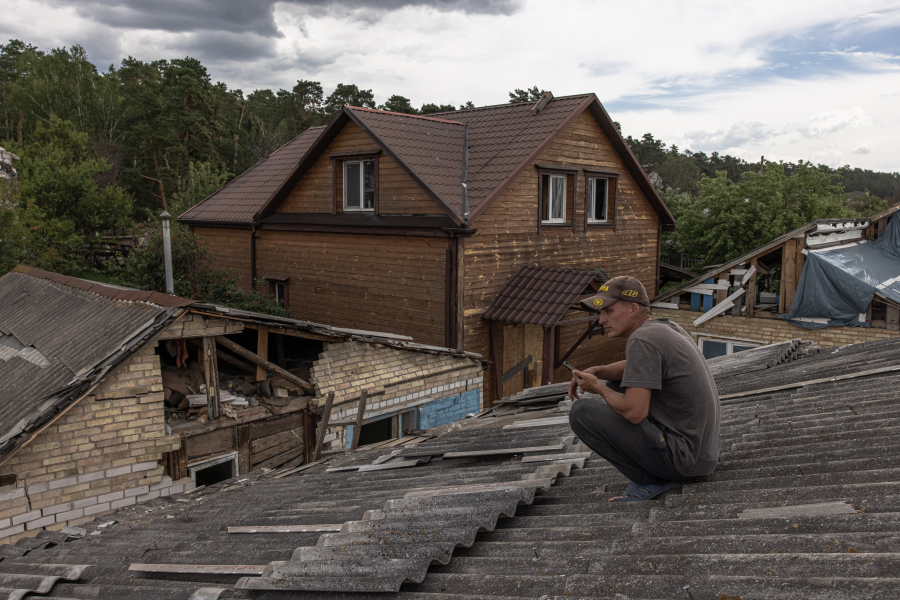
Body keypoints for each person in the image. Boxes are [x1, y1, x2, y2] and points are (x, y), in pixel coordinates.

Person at [567, 276, 720, 502]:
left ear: (633, 308)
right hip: (701, 455)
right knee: (617, 384)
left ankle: (651, 479)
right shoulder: (665, 327)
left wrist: (597, 387)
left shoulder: (642, 339)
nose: (601, 320)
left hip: (683, 462)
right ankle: (657, 466)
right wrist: (600, 370)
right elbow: (640, 367)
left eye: (607, 311)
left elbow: (635, 412)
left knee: (582, 413)